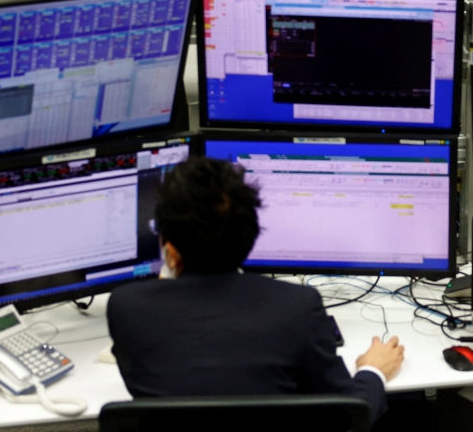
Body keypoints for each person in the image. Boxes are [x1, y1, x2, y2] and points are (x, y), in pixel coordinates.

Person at [107, 157, 404, 425]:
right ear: (250, 233)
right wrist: (372, 370)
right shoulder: (296, 306)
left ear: (169, 248)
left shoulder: (126, 307)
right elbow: (350, 413)